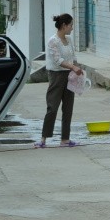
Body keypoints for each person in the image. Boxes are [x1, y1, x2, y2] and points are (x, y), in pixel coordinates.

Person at [37, 13, 83, 148]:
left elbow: (73, 56)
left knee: (68, 107)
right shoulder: (53, 41)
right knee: (52, 107)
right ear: (64, 26)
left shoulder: (68, 39)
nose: (72, 28)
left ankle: (65, 139)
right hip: (56, 75)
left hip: (69, 75)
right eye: (71, 25)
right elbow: (58, 60)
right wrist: (73, 67)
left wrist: (76, 69)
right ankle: (43, 139)